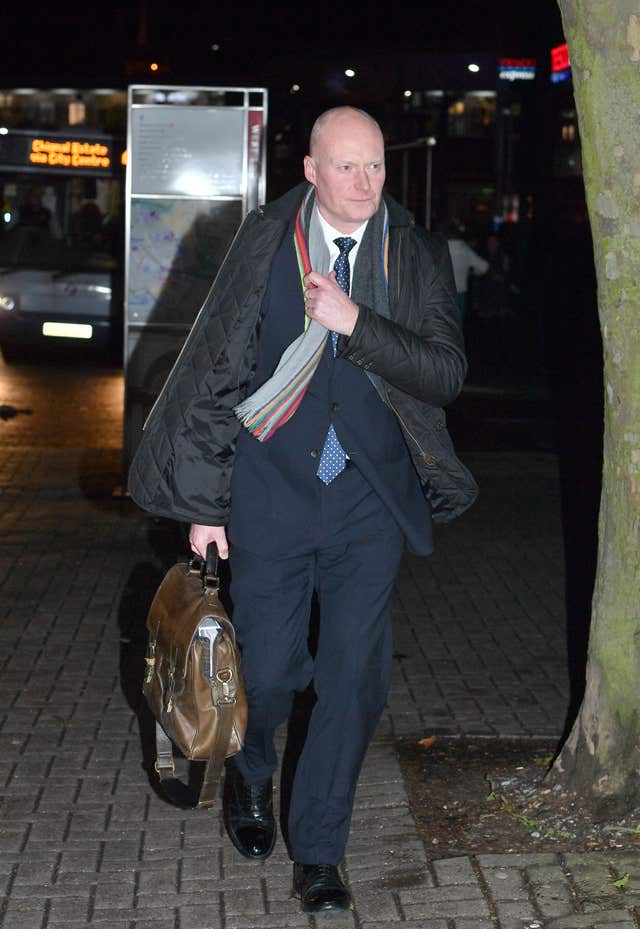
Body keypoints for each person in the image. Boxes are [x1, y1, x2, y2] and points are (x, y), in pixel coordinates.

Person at [129, 106, 474, 915]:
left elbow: (445, 371)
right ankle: (252, 768)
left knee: (354, 678)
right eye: (346, 168)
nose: (364, 184)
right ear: (312, 170)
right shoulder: (264, 244)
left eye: (377, 166)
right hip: (272, 491)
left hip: (367, 497)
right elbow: (217, 371)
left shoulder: (410, 253)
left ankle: (320, 850)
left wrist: (358, 325)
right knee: (275, 669)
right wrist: (204, 506)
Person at [446, 222, 489, 318]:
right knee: (458, 324)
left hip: (443, 292)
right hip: (460, 293)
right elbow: (485, 267)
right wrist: (474, 272)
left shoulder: (441, 247)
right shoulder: (465, 249)